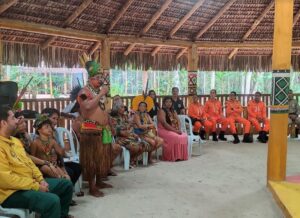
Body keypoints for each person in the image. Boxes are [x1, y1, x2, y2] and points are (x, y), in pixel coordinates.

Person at [0, 105, 73, 218]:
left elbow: (29, 163)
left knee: (66, 185)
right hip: (10, 193)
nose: (17, 121)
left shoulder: (15, 141)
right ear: (3, 123)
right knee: (52, 201)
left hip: (29, 183)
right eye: (13, 118)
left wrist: (40, 179)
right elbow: (6, 180)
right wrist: (36, 186)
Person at [77, 60, 112, 197]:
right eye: (97, 78)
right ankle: (92, 187)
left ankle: (99, 181)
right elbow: (86, 107)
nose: (100, 80)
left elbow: (102, 108)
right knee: (91, 159)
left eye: (100, 78)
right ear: (90, 79)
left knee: (100, 157)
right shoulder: (84, 92)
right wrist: (101, 94)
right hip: (90, 130)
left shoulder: (97, 91)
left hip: (102, 129)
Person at [41, 108, 82, 189]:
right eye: (53, 118)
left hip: (59, 160)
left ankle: (68, 191)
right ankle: (64, 190)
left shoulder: (55, 132)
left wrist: (63, 165)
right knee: (69, 172)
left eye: (57, 119)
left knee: (77, 167)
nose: (55, 121)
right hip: (47, 163)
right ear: (45, 118)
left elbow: (60, 152)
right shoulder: (39, 135)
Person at [31, 115, 70, 180]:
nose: (50, 129)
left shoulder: (52, 141)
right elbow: (32, 158)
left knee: (67, 177)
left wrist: (65, 148)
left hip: (52, 164)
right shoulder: (35, 143)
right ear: (39, 130)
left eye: (50, 126)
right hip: (41, 166)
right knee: (58, 176)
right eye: (46, 127)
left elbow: (61, 152)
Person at [111, 101, 147, 167]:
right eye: (122, 107)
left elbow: (129, 127)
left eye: (123, 107)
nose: (124, 108)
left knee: (143, 145)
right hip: (120, 138)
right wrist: (122, 132)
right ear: (117, 108)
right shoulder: (113, 118)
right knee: (135, 147)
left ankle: (131, 159)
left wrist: (132, 133)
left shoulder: (125, 116)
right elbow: (114, 130)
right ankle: (131, 160)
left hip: (129, 136)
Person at [157, 97, 188, 161]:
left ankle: (180, 156)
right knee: (175, 136)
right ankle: (170, 157)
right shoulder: (161, 111)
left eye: (170, 102)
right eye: (167, 102)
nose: (169, 103)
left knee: (184, 136)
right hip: (163, 130)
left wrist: (179, 129)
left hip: (173, 129)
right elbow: (164, 124)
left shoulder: (173, 111)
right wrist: (175, 131)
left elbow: (178, 121)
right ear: (164, 103)